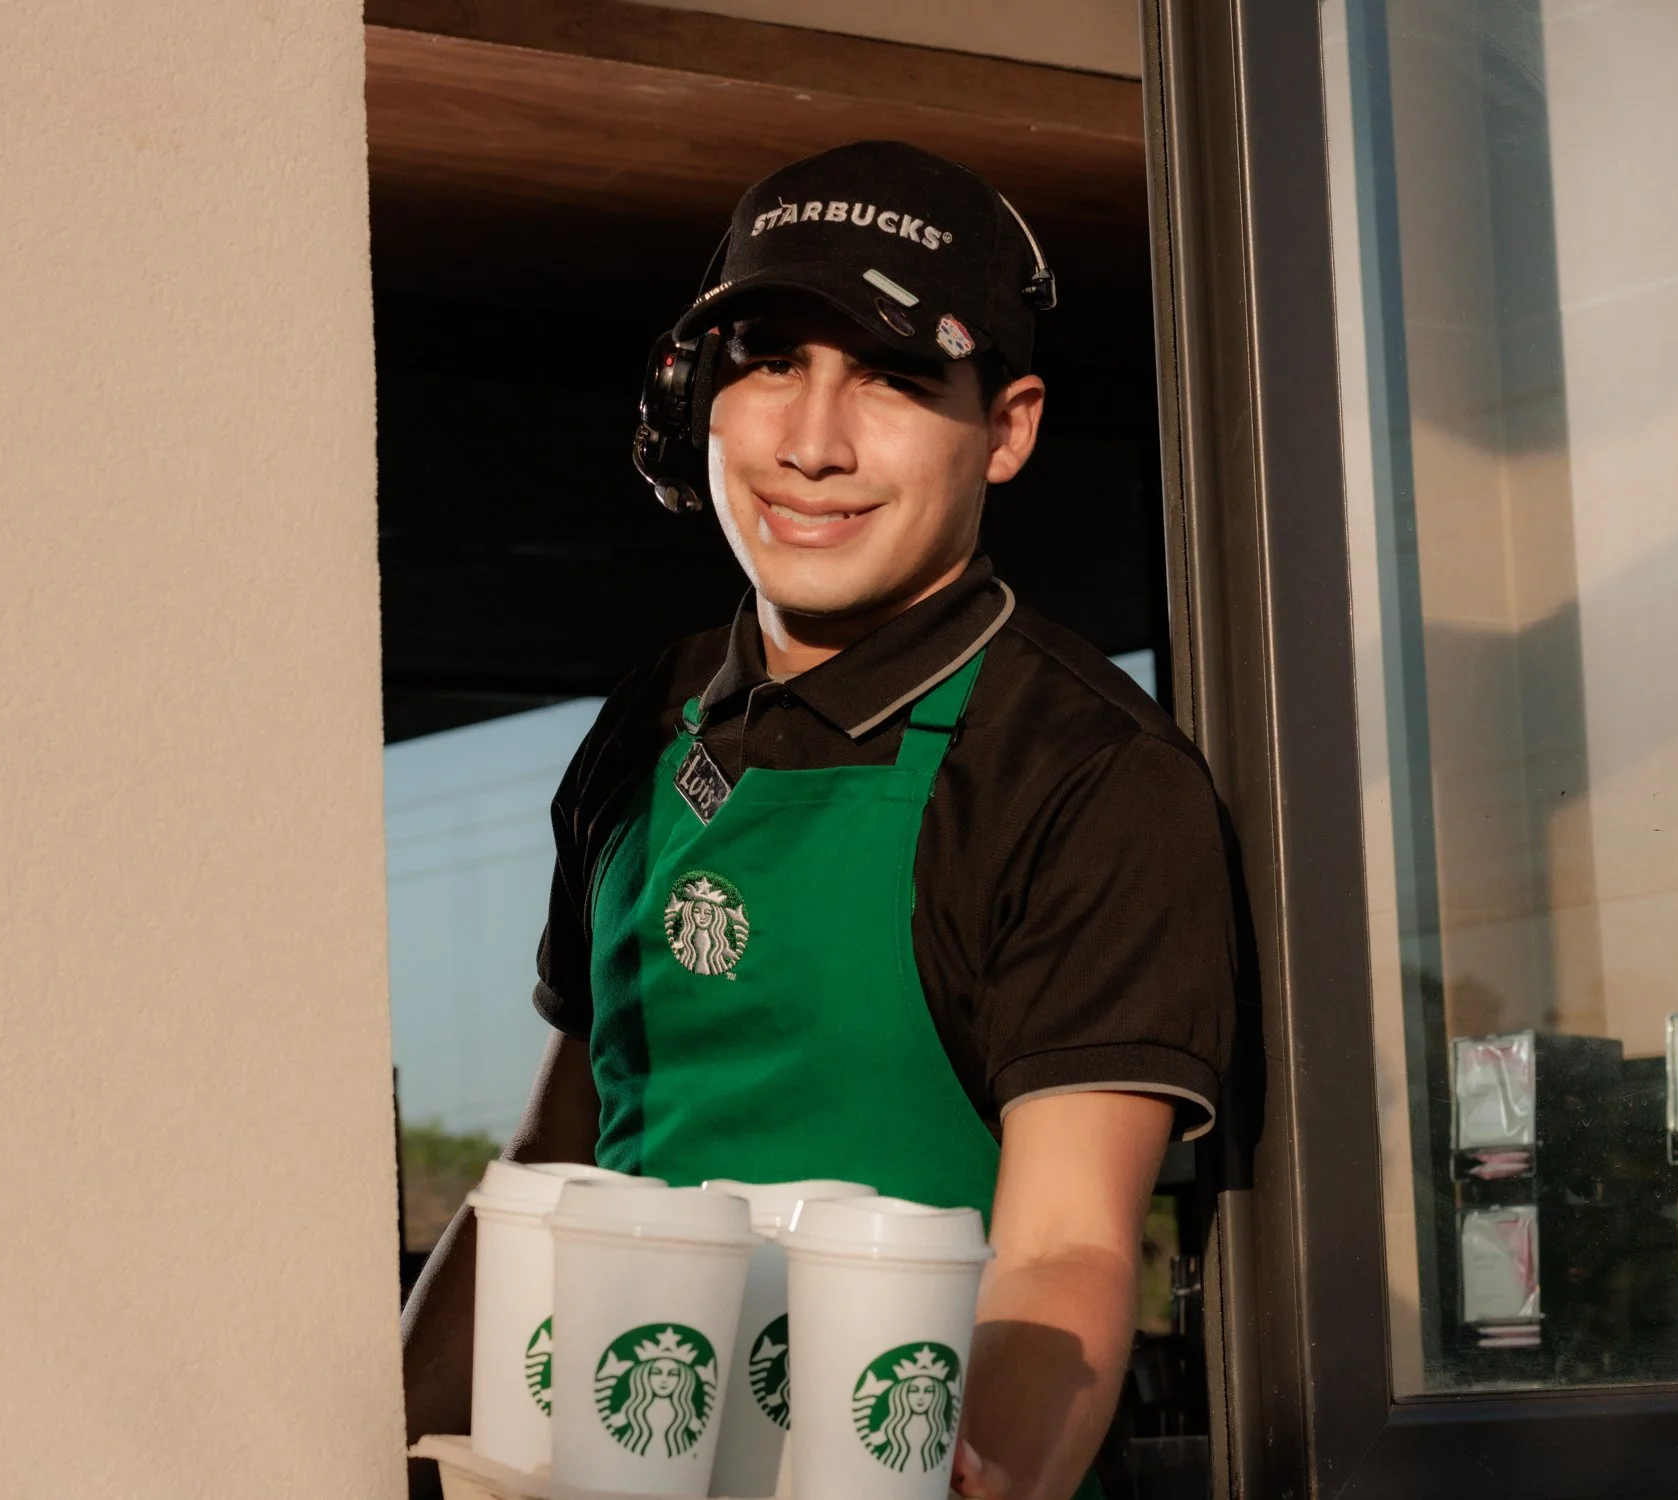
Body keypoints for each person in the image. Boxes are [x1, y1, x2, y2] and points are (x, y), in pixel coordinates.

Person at [402, 140, 1238, 1500]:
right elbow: (554, 1166)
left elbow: (1066, 1251)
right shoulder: (646, 723)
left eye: (894, 378)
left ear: (1008, 427)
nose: (811, 442)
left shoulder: (1090, 775)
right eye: (769, 361)